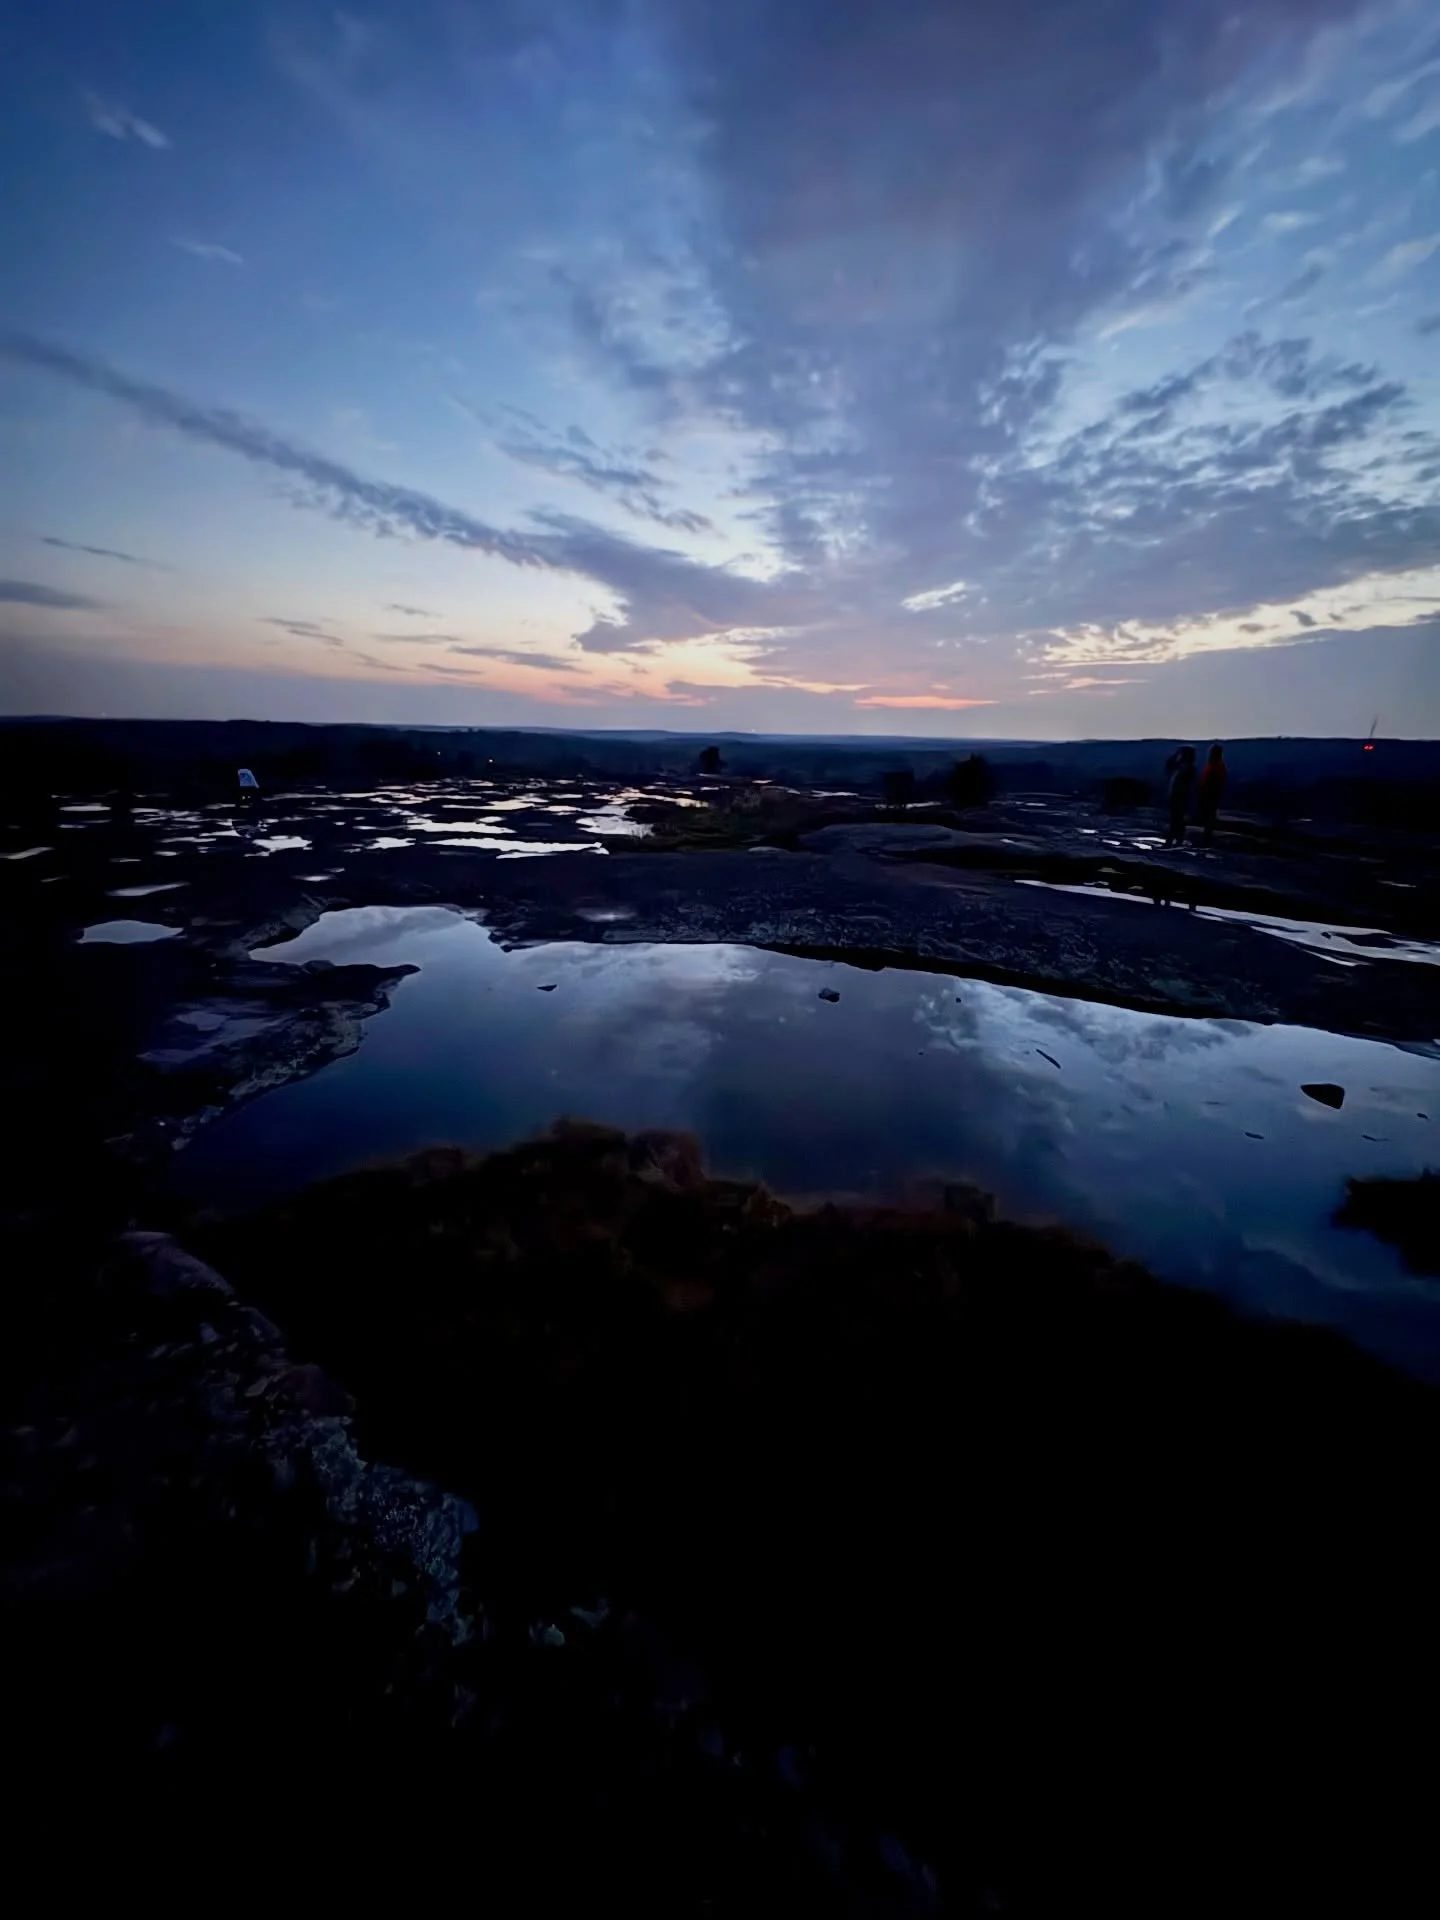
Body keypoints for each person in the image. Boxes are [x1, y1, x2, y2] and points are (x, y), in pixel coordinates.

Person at [1164, 745, 1196, 846]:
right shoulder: (1183, 766)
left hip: (1180, 797)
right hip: (1177, 796)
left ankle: (1176, 839)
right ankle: (1174, 839)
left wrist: (1177, 756)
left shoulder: (1187, 768)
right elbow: (1169, 765)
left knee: (1177, 819)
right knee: (1175, 819)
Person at [1196, 743, 1226, 844]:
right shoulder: (1214, 765)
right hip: (1209, 793)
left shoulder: (1216, 766)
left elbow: (1213, 781)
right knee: (1208, 815)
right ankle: (1207, 835)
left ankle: (1207, 837)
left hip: (1210, 794)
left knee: (1209, 815)